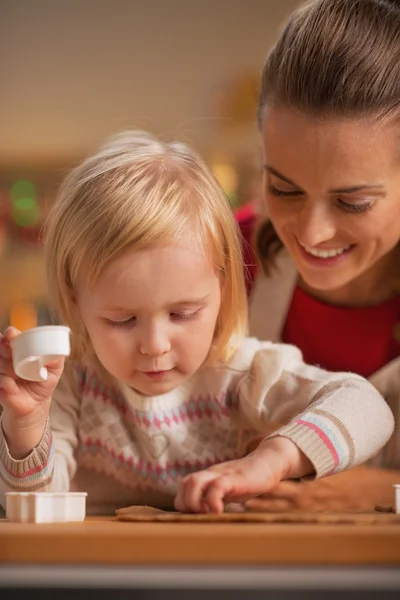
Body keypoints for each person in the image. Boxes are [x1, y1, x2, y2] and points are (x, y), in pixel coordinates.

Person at [0, 131, 394, 515]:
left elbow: (368, 407)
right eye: (122, 320)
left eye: (182, 315)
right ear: (74, 299)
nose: (155, 345)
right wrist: (28, 426)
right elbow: (35, 510)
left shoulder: (243, 373)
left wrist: (274, 459)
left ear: (222, 288)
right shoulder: (70, 383)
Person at [237, 0, 400, 511]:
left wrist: (381, 491)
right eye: (283, 189)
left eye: (353, 201)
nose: (311, 232)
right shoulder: (220, 258)